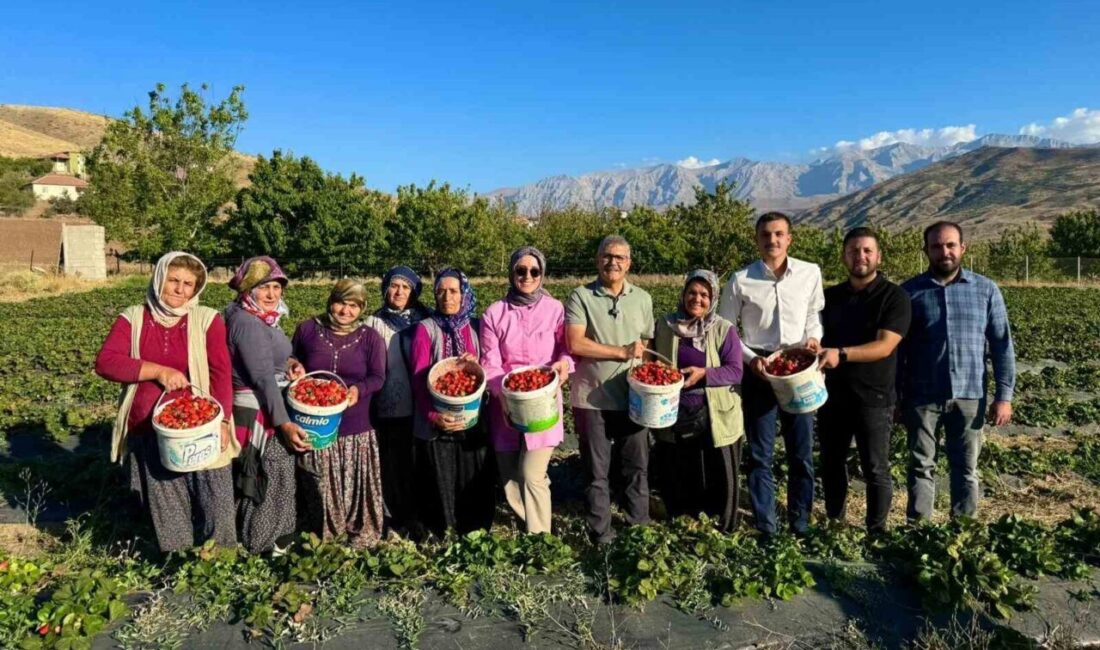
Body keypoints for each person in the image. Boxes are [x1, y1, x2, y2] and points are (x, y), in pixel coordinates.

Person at [95, 251, 237, 553]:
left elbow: (221, 373)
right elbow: (107, 362)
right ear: (159, 278)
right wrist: (158, 371)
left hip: (202, 423)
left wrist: (223, 420)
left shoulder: (206, 320)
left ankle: (221, 559)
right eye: (173, 280)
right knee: (166, 500)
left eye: (188, 283)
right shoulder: (133, 318)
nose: (179, 289)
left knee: (216, 496)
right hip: (150, 427)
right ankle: (178, 560)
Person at [898, 221, 1016, 522]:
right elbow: (898, 352)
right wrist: (897, 397)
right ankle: (919, 530)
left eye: (950, 245)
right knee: (921, 465)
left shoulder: (986, 290)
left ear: (963, 248)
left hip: (970, 395)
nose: (944, 252)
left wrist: (1004, 396)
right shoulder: (909, 292)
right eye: (936, 246)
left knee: (966, 468)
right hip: (922, 395)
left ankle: (962, 530)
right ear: (926, 250)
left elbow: (1002, 345)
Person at [718, 212, 824, 536]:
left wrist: (814, 338)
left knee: (801, 452)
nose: (772, 240)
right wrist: (750, 359)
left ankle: (800, 522)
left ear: (789, 238)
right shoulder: (740, 279)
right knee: (761, 453)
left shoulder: (809, 273)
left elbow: (812, 315)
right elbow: (726, 330)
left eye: (779, 234)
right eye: (766, 235)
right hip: (760, 369)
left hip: (797, 366)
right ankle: (767, 526)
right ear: (757, 239)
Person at [817, 228, 911, 533]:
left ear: (878, 256)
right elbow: (816, 338)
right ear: (844, 256)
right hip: (833, 396)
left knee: (875, 468)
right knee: (832, 463)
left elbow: (885, 346)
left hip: (875, 396)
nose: (861, 257)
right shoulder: (830, 297)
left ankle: (876, 530)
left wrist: (840, 354)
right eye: (854, 251)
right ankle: (835, 521)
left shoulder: (894, 297)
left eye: (867, 251)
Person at [565, 235, 654, 545]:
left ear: (629, 263)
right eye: (606, 256)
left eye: (619, 257)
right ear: (597, 260)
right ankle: (601, 533)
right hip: (592, 397)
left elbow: (649, 344)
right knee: (596, 470)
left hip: (634, 398)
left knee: (636, 466)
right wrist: (621, 352)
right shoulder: (580, 296)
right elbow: (575, 343)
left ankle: (638, 526)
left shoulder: (642, 298)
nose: (612, 262)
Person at [480, 247, 573, 534]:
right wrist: (501, 391)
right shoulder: (495, 313)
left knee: (532, 473)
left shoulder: (556, 309)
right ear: (512, 273)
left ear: (542, 274)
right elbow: (490, 362)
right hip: (506, 401)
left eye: (534, 271)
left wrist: (564, 365)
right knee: (509, 477)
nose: (527, 276)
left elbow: (567, 350)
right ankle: (527, 522)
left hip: (543, 399)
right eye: (521, 270)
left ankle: (541, 537)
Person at [291, 279, 387, 548]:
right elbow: (292, 358)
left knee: (357, 481)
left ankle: (359, 528)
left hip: (356, 424)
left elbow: (378, 376)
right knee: (320, 480)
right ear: (330, 301)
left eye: (354, 305)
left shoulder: (370, 337)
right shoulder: (308, 329)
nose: (346, 311)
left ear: (362, 308)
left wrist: (358, 389)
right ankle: (323, 531)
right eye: (341, 302)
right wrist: (293, 365)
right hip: (316, 422)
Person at [651, 270, 745, 532]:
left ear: (713, 298)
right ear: (683, 295)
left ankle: (720, 530)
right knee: (681, 473)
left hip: (715, 413)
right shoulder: (666, 326)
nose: (697, 299)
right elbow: (654, 361)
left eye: (705, 294)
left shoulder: (723, 329)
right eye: (692, 292)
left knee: (719, 474)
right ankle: (685, 525)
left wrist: (704, 374)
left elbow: (735, 370)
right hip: (675, 412)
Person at [224, 256, 306, 553]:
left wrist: (292, 363)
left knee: (272, 472)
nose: (272, 294)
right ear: (248, 289)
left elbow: (271, 360)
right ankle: (260, 540)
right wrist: (283, 423)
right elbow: (261, 378)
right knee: (265, 474)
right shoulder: (247, 323)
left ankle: (272, 536)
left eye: (276, 287)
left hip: (267, 403)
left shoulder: (261, 317)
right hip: (258, 410)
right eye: (264, 287)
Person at [409, 268, 496, 535]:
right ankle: (442, 530)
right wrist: (433, 416)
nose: (447, 296)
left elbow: (491, 365)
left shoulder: (478, 327)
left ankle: (475, 532)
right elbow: (418, 378)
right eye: (441, 291)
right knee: (441, 476)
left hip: (473, 417)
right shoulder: (425, 329)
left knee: (473, 473)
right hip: (436, 420)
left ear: (464, 293)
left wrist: (477, 364)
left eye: (453, 291)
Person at [364, 266, 431, 536]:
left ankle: (420, 517)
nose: (399, 292)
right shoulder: (373, 323)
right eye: (394, 286)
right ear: (385, 289)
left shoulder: (426, 321)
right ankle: (396, 518)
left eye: (406, 287)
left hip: (422, 405)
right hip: (389, 406)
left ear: (414, 291)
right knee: (392, 465)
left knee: (420, 464)